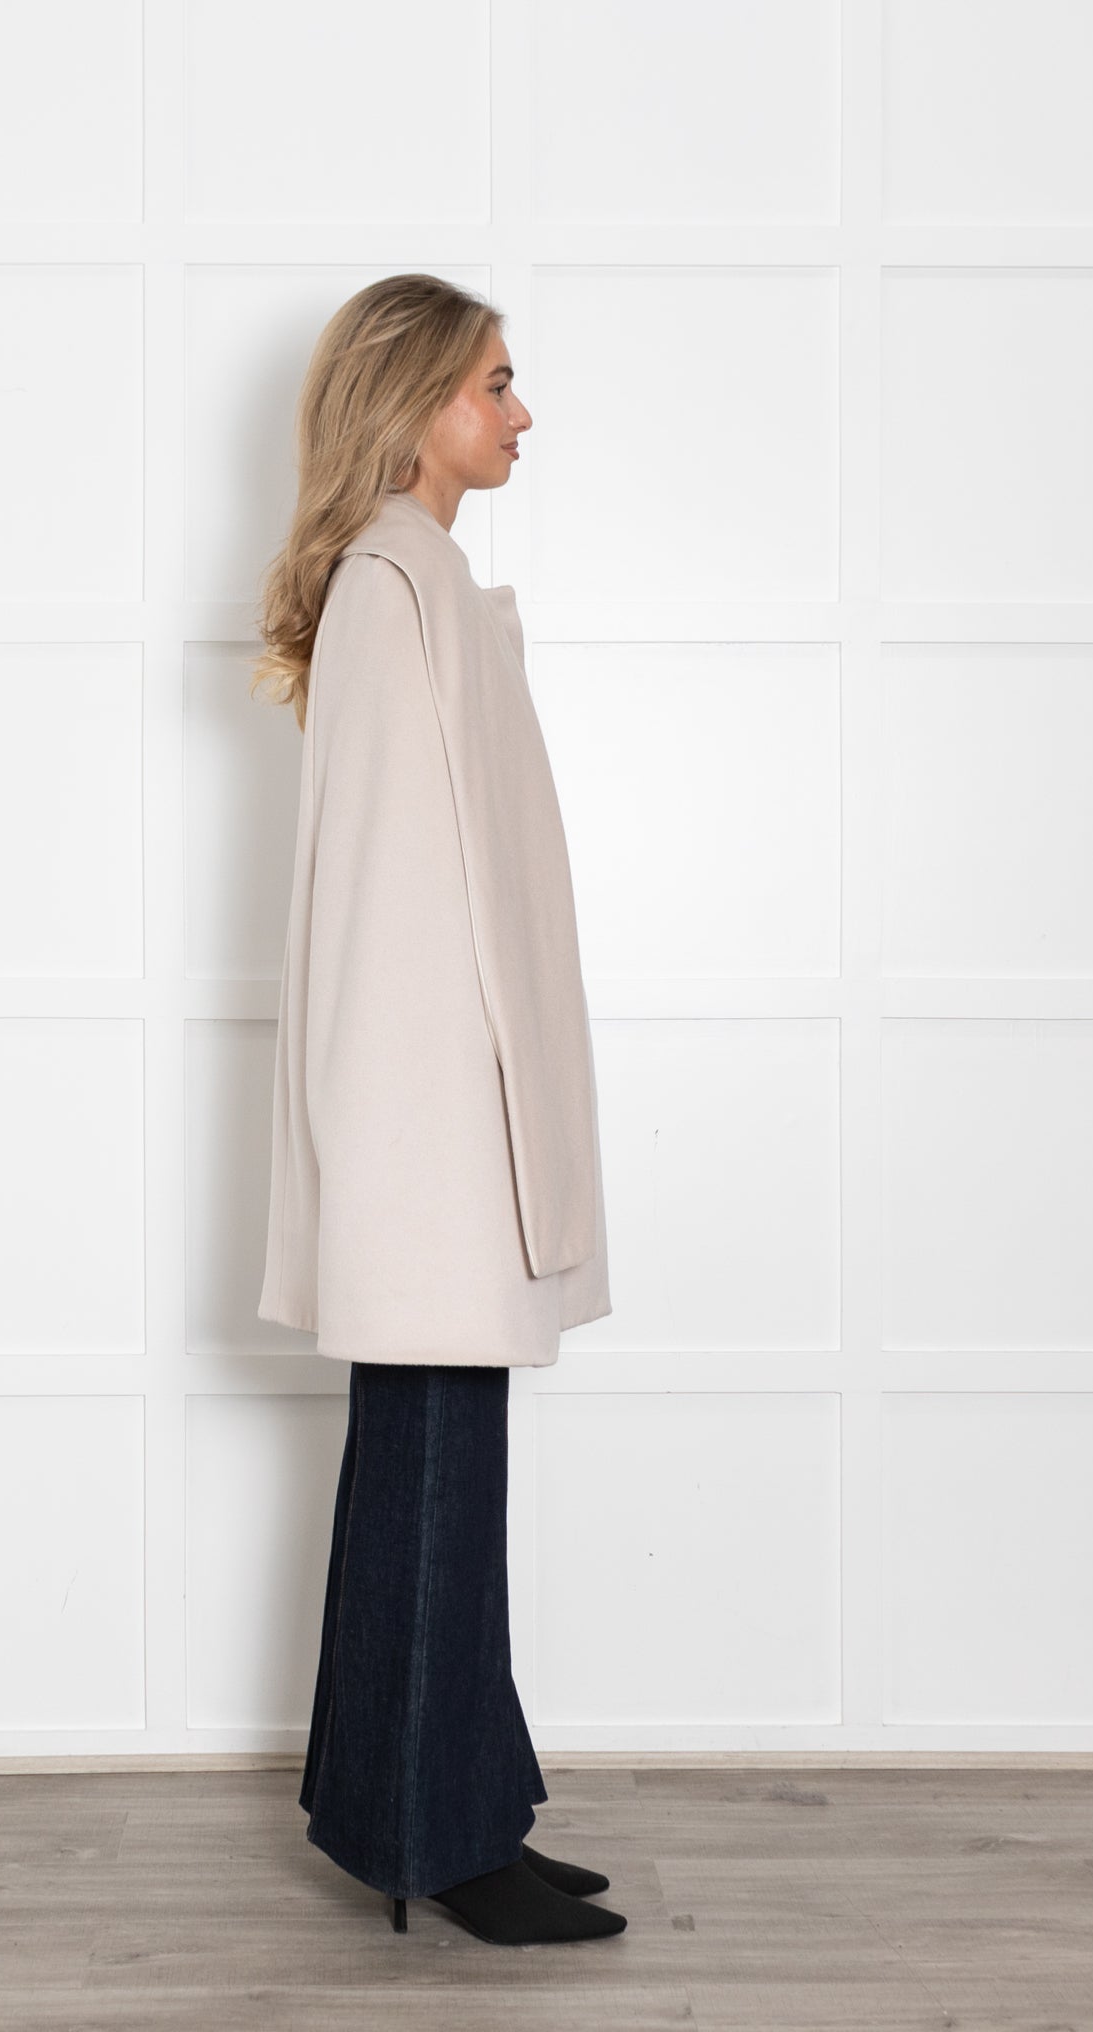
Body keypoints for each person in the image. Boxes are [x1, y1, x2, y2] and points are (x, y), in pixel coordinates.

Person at [249, 275, 624, 1947]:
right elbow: (395, 900)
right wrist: (421, 1151)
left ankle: (451, 1810)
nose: (521, 413)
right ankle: (436, 1841)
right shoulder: (394, 587)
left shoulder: (415, 581)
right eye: (494, 383)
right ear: (414, 408)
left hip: (445, 1119)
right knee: (430, 1484)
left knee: (434, 1476)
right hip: (431, 1125)